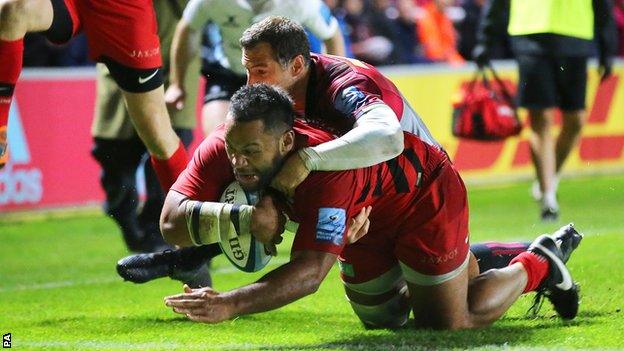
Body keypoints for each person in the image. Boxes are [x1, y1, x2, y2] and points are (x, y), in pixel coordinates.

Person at [161, 83, 582, 327]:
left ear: (286, 142)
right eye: (233, 151)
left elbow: (310, 273)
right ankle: (460, 265)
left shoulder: (326, 170)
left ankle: (536, 263)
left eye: (251, 151)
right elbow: (170, 221)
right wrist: (243, 217)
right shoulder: (227, 143)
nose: (238, 163)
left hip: (420, 197)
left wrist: (229, 303)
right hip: (364, 216)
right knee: (384, 319)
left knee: (449, 321)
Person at [0, 0, 188, 192]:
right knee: (11, 10)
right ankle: (1, 130)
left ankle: (191, 205)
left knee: (158, 135)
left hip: (123, 12)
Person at [473, 0, 617, 221]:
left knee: (576, 121)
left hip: (575, 37)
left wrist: (608, 45)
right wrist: (485, 38)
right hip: (531, 36)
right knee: (541, 119)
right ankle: (548, 198)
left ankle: (549, 179)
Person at [90, 0, 199, 254]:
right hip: (119, 65)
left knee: (166, 163)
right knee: (113, 161)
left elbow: (198, 10)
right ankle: (128, 222)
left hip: (174, 70)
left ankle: (161, 237)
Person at [164, 0, 347, 136]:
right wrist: (176, 84)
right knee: (219, 140)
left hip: (283, 82)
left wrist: (330, 85)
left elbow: (332, 35)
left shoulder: (302, 3)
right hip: (229, 74)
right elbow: (187, 29)